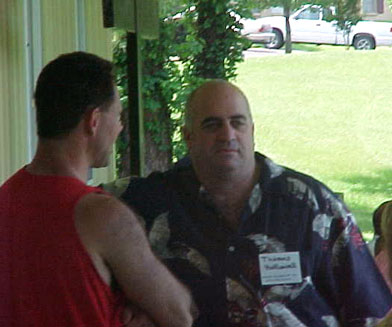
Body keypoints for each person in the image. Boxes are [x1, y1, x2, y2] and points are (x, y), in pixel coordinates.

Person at [121, 79, 392, 327]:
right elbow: (81, 205)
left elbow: (369, 312)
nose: (227, 135)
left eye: (237, 122)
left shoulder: (313, 206)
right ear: (188, 137)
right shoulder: (150, 203)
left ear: (252, 131)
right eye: (212, 125)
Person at [0, 52, 195, 327]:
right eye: (117, 116)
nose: (119, 128)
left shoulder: (6, 199)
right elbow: (180, 314)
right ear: (94, 121)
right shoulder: (101, 215)